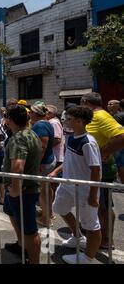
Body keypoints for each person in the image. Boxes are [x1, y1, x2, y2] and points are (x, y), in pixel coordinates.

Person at [50, 106, 102, 264]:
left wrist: (93, 195)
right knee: (59, 208)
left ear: (80, 122)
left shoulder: (88, 142)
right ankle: (78, 237)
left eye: (69, 118)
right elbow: (68, 159)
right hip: (67, 185)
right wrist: (56, 171)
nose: (65, 120)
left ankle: (88, 257)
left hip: (84, 189)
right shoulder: (72, 137)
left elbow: (95, 169)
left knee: (91, 224)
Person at [81, 92, 124, 250]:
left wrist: (103, 153)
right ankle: (97, 235)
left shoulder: (101, 116)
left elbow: (121, 136)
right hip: (92, 168)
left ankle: (106, 240)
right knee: (96, 204)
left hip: (102, 169)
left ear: (86, 102)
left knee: (103, 205)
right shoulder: (95, 116)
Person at [2, 104, 42, 264]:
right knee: (13, 215)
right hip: (22, 189)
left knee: (30, 231)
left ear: (9, 120)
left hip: (23, 191)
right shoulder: (31, 134)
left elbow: (18, 166)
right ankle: (21, 246)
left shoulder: (19, 138)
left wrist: (14, 191)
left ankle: (33, 261)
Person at [29, 102, 56, 227]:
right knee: (47, 188)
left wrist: (36, 163)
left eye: (31, 112)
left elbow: (43, 146)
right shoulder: (47, 123)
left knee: (42, 191)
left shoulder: (40, 125)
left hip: (43, 163)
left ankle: (46, 218)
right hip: (48, 161)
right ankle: (49, 212)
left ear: (35, 113)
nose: (29, 114)